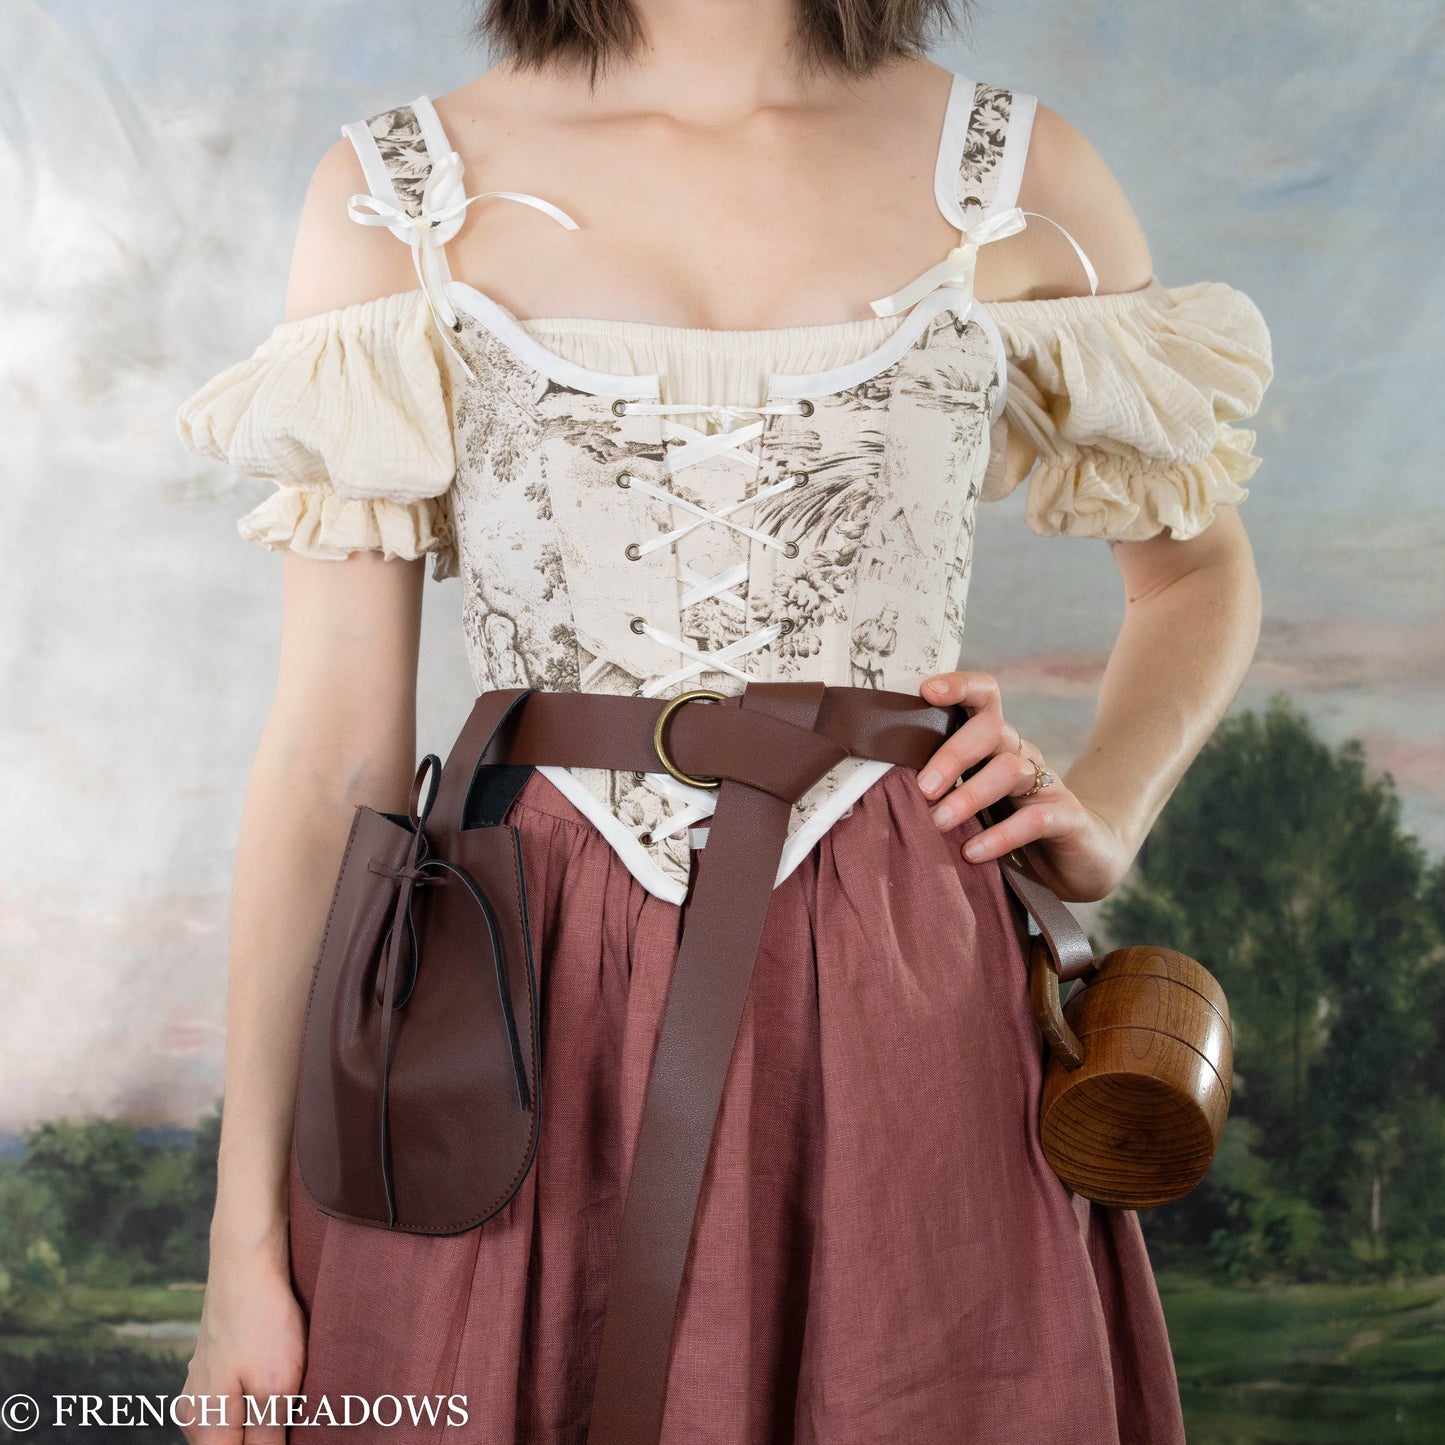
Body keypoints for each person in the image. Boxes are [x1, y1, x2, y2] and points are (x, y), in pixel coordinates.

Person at [174, 0, 1272, 1439]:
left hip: (903, 984)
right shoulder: (398, 197)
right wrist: (241, 1248)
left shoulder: (1016, 178)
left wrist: (1106, 809)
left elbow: (1194, 570)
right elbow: (332, 749)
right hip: (520, 985)